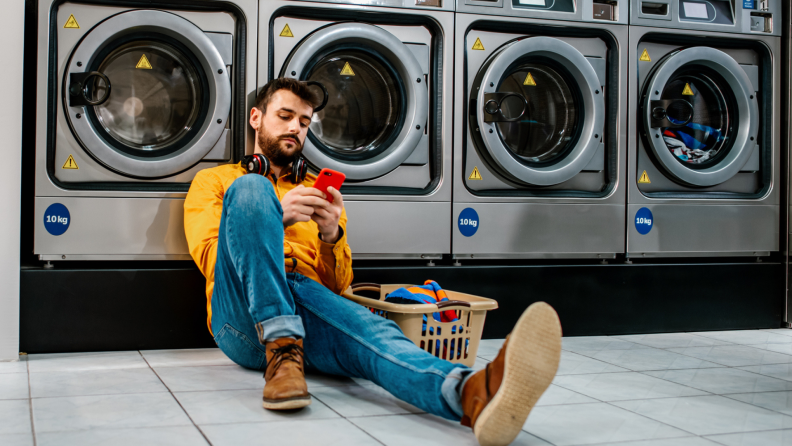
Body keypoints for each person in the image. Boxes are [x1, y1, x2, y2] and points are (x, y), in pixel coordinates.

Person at [183, 78, 562, 446]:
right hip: (241, 320)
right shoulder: (216, 180)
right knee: (253, 188)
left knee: (375, 334)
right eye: (284, 116)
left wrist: (332, 236)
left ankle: (472, 394)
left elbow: (336, 289)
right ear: (255, 118)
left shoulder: (320, 192)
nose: (295, 128)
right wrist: (274, 219)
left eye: (303, 122)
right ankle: (280, 348)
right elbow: (213, 260)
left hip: (305, 309)